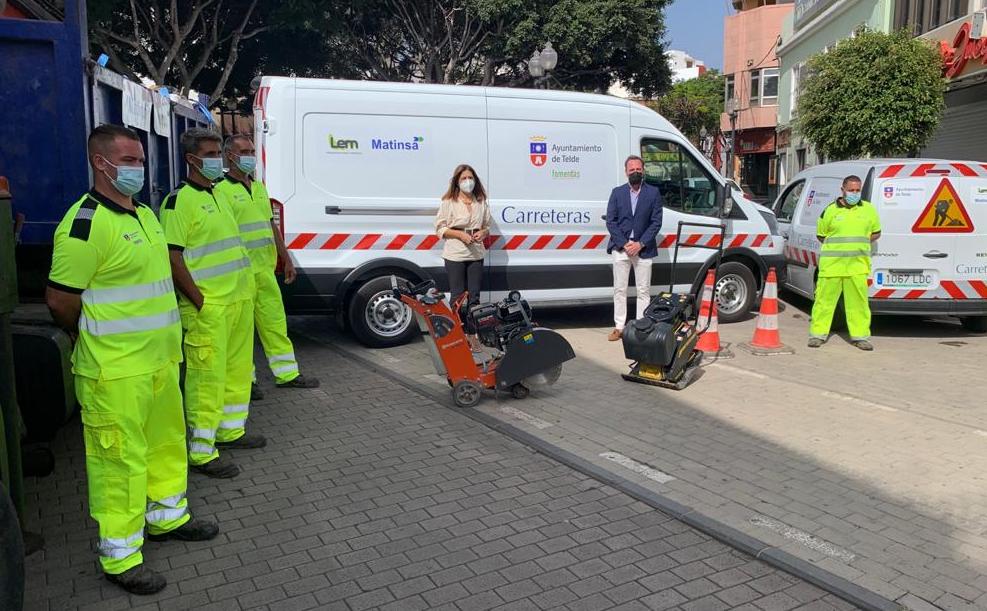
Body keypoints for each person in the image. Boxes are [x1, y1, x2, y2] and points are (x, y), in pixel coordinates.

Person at [46, 124, 218, 595]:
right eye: (128, 161)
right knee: (119, 463)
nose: (138, 169)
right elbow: (61, 301)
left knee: (166, 444)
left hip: (159, 363)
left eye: (140, 160)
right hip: (114, 371)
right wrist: (97, 340)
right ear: (100, 163)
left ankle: (167, 517)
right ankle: (120, 557)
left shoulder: (144, 214)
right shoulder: (84, 224)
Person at [159, 128, 265, 481]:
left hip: (236, 300)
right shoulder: (178, 202)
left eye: (219, 153)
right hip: (209, 308)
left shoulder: (218, 194)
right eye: (210, 154)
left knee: (235, 373)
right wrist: (201, 302)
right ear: (191, 159)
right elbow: (173, 259)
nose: (217, 160)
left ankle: (230, 431)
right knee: (207, 380)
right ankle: (202, 451)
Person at [215, 135, 319, 394]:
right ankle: (246, 382)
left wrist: (286, 257)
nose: (251, 155)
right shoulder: (221, 191)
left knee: (275, 323)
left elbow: (270, 224)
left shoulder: (258, 187)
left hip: (264, 271)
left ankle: (287, 374)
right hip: (239, 275)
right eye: (245, 151)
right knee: (242, 334)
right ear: (229, 155)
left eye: (252, 149)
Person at [809, 175, 882, 351]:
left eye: (857, 190)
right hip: (832, 266)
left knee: (858, 303)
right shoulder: (830, 211)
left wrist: (860, 244)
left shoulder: (869, 210)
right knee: (823, 302)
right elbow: (821, 235)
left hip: (857, 266)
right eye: (851, 190)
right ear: (843, 190)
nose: (854, 193)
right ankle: (818, 335)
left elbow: (876, 233)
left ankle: (860, 337)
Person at [605, 155, 664, 341]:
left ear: (643, 170)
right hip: (621, 248)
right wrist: (624, 243)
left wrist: (640, 244)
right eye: (632, 170)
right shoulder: (617, 193)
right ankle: (619, 327)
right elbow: (611, 221)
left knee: (643, 290)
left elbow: (656, 223)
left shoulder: (653, 193)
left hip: (643, 249)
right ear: (626, 172)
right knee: (620, 290)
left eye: (639, 169)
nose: (635, 172)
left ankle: (641, 326)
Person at [434, 164, 492, 351]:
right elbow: (440, 228)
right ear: (457, 182)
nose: (468, 182)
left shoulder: (481, 201)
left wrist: (483, 233)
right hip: (455, 253)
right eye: (463, 178)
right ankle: (457, 336)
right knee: (457, 297)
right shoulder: (448, 202)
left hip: (476, 253)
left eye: (470, 178)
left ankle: (472, 336)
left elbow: (487, 225)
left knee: (474, 298)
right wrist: (460, 235)